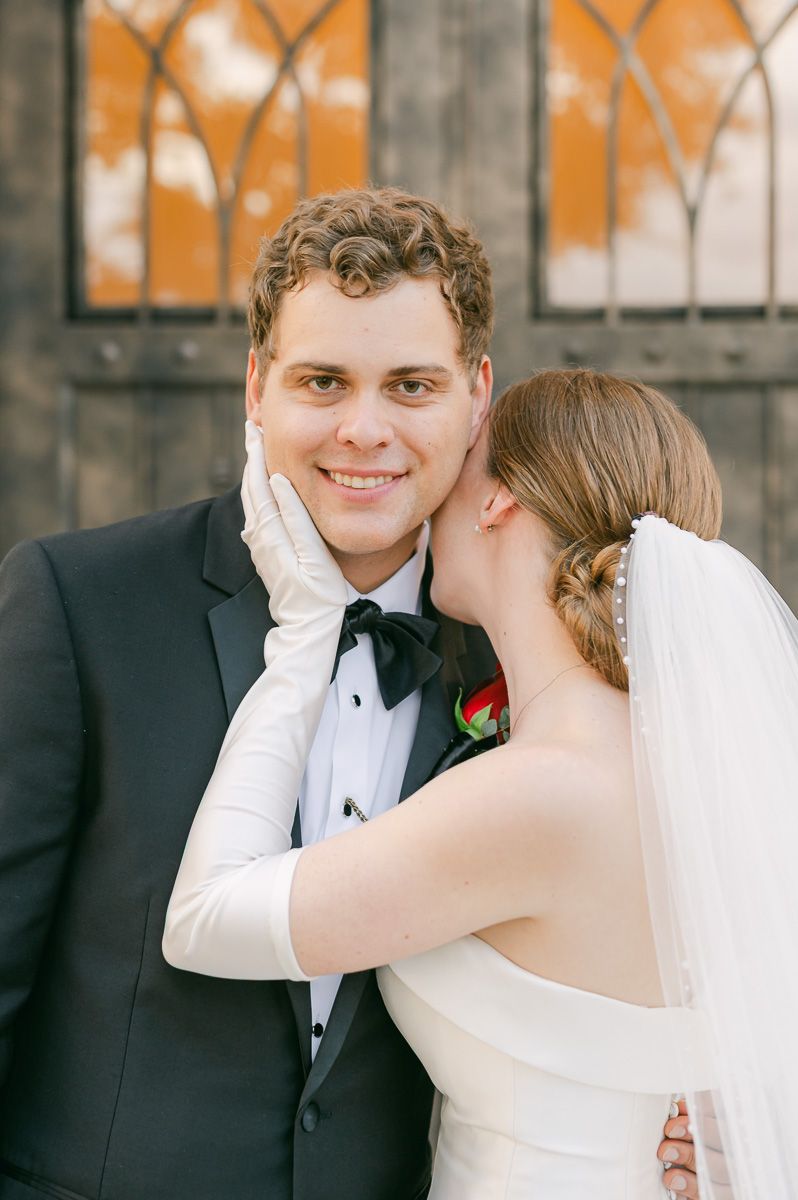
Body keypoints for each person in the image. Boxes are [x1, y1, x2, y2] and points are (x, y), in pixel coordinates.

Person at [0, 188, 696, 1199]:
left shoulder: (535, 652)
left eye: (411, 385)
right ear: (256, 387)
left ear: (477, 396)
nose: (363, 429)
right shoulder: (79, 604)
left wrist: (725, 1118)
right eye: (323, 381)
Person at [161, 366, 785, 1198]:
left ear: (499, 502)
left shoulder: (546, 792)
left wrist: (305, 632)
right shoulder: (695, 770)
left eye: (465, 462)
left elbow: (206, 918)